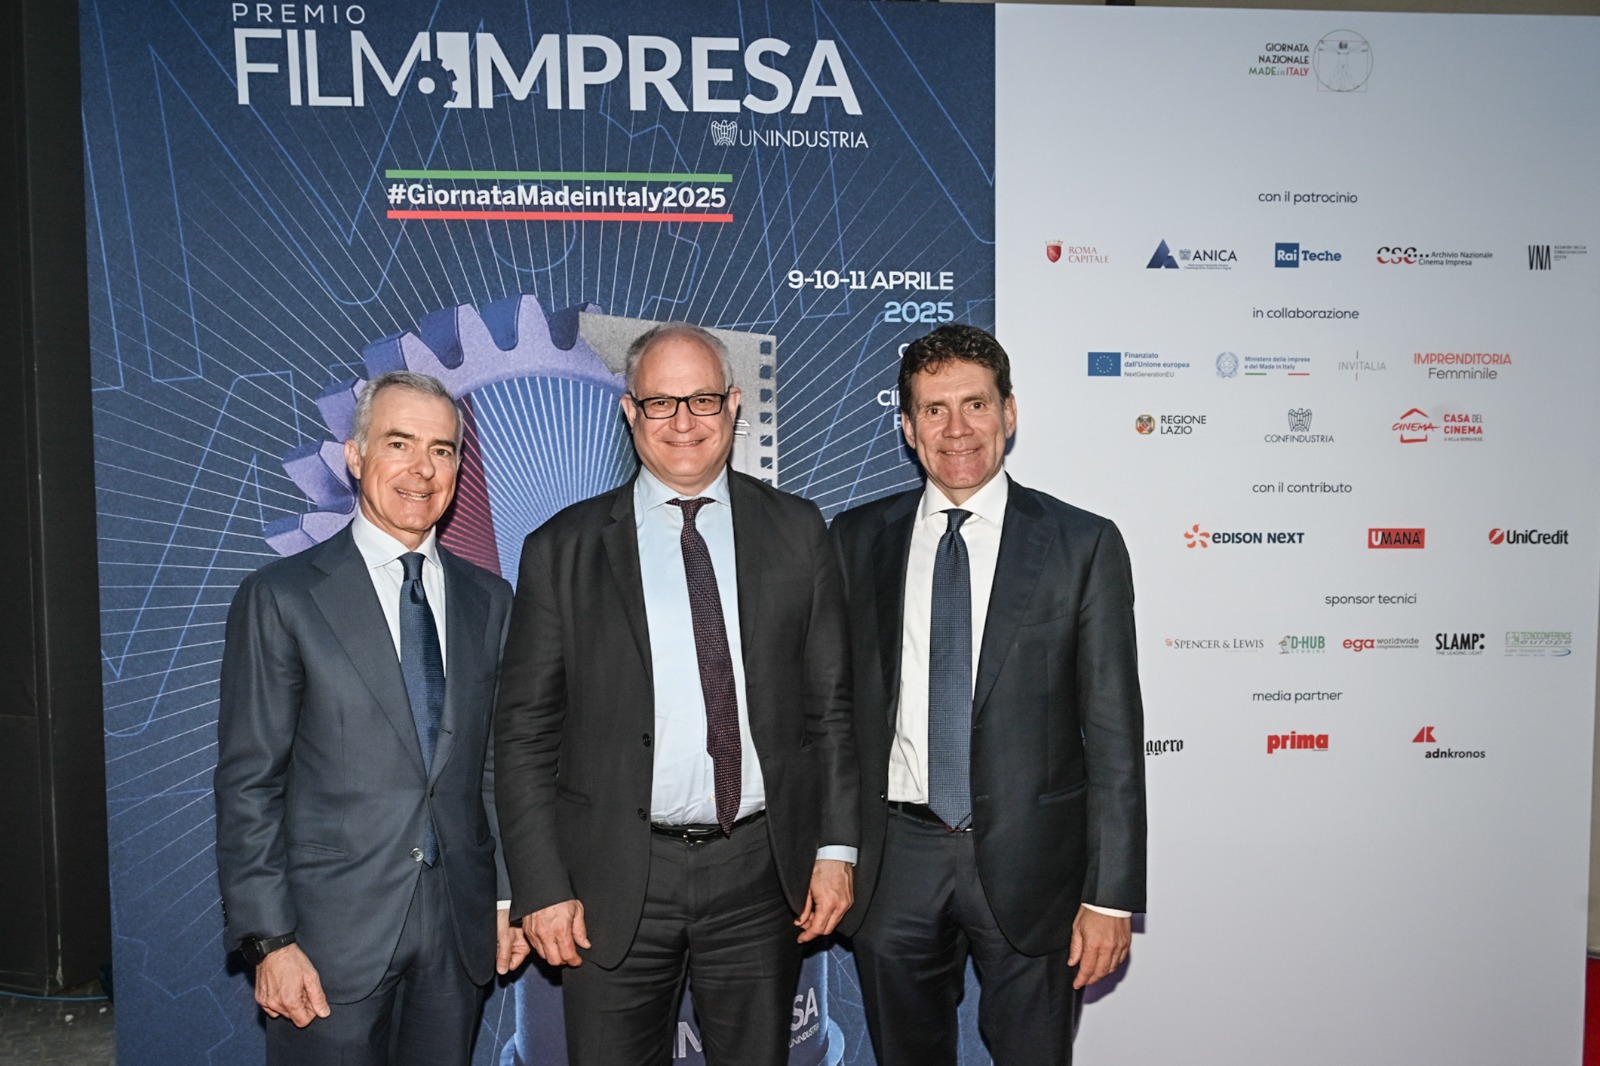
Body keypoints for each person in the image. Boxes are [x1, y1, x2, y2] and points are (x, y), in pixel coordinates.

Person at [494, 322, 857, 1066]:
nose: (684, 421)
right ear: (630, 412)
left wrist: (835, 847)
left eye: (702, 400)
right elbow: (524, 736)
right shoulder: (560, 550)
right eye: (661, 402)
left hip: (760, 872)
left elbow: (830, 709)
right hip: (609, 879)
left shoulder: (797, 530)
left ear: (734, 404)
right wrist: (540, 885)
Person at [831, 324, 1147, 1065]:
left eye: (975, 404)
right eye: (934, 410)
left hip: (1036, 864)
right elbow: (831, 716)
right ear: (907, 427)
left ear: (1009, 412)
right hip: (895, 859)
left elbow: (1113, 735)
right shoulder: (856, 539)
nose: (957, 429)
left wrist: (1109, 895)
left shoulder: (1081, 544)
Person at [214, 371, 527, 1065]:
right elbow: (250, 782)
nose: (423, 469)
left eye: (442, 450)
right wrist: (270, 940)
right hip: (326, 939)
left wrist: (506, 896)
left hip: (458, 931)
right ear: (355, 457)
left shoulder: (490, 600)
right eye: (399, 443)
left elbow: (496, 766)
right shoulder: (284, 597)